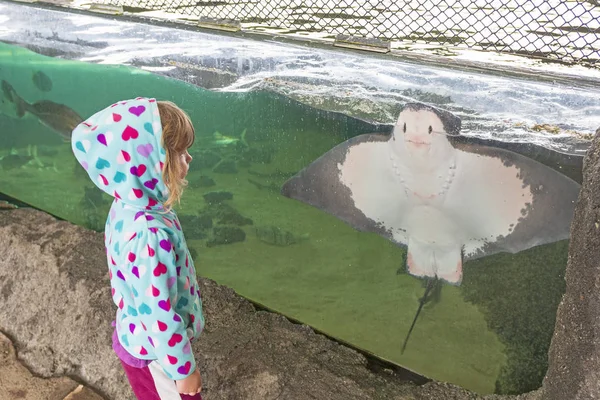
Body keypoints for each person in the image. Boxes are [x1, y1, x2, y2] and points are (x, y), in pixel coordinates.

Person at [71, 97, 205, 399]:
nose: (189, 159)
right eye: (181, 152)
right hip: (157, 355)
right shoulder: (148, 234)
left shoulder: (128, 204)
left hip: (145, 340)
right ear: (152, 165)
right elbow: (159, 312)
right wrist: (184, 371)